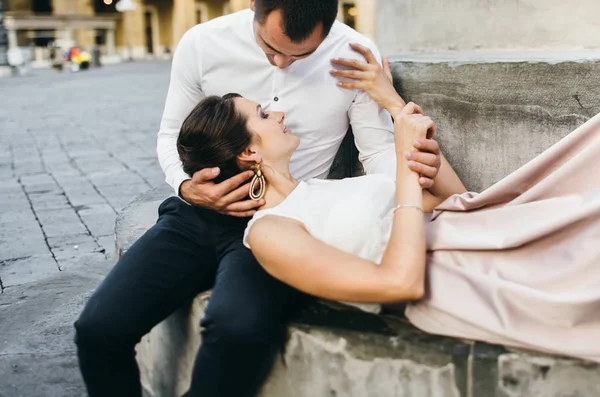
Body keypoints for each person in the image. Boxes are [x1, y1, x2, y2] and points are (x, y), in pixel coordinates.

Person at [73, 2, 443, 397]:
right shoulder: (202, 43)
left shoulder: (352, 52)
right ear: (254, 5)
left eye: (302, 54)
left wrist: (413, 160)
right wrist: (186, 187)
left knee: (238, 329)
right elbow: (169, 133)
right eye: (271, 48)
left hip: (281, 221)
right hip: (196, 214)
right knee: (98, 328)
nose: (282, 63)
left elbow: (375, 153)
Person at [178, 45, 600, 363]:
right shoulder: (269, 233)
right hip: (467, 275)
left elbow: (453, 199)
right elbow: (400, 284)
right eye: (264, 116)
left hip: (489, 230)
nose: (280, 114)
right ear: (248, 153)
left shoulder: (324, 188)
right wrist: (403, 166)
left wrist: (395, 107)